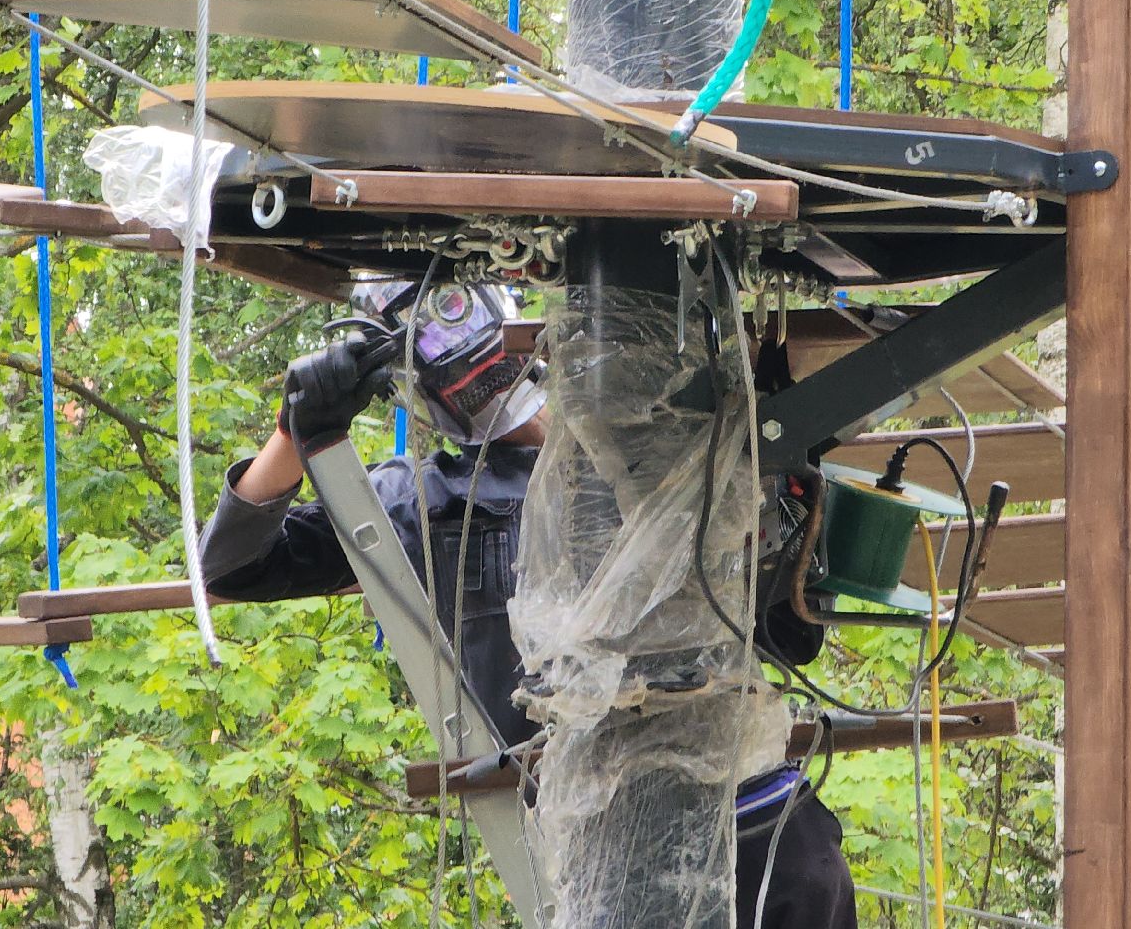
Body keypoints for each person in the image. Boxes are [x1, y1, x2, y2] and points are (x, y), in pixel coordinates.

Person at [199, 281, 857, 928]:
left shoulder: (676, 454)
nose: (452, 354)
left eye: (454, 311)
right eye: (417, 336)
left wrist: (781, 470)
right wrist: (299, 431)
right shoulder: (425, 503)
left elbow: (792, 636)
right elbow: (232, 568)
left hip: (762, 828)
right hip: (612, 847)